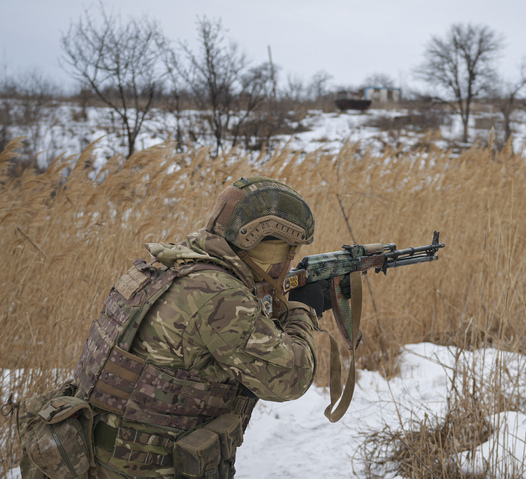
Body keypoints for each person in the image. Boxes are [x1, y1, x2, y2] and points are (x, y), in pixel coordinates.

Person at [63, 176, 328, 478]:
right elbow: (291, 379)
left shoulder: (170, 265)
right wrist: (304, 311)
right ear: (258, 244)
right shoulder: (221, 296)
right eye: (285, 252)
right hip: (140, 467)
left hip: (88, 455)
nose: (286, 265)